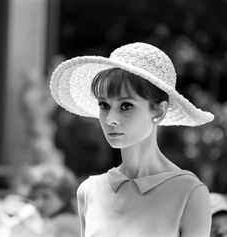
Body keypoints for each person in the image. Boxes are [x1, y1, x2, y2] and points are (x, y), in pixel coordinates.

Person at [50, 42, 214, 236]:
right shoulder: (88, 191)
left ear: (159, 112)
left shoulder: (190, 193)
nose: (110, 118)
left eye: (126, 106)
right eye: (104, 105)